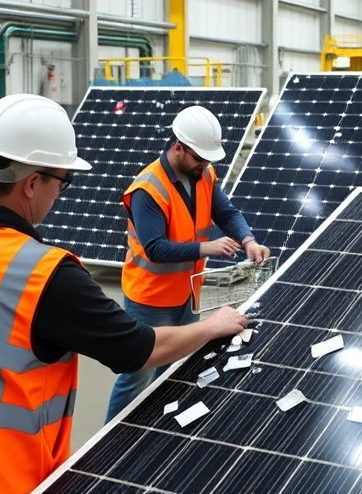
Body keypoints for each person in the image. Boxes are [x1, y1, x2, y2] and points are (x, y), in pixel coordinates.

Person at [0, 94, 246, 494]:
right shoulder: (45, 274)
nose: (60, 193)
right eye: (62, 181)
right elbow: (136, 349)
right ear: (33, 183)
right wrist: (213, 326)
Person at [106, 105, 270, 422]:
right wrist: (206, 247)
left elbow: (226, 213)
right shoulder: (148, 189)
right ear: (178, 147)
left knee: (175, 367)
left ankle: (161, 426)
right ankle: (107, 439)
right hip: (150, 299)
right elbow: (155, 248)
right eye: (198, 158)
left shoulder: (203, 173)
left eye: (207, 159)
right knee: (137, 374)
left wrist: (248, 240)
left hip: (186, 293)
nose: (204, 165)